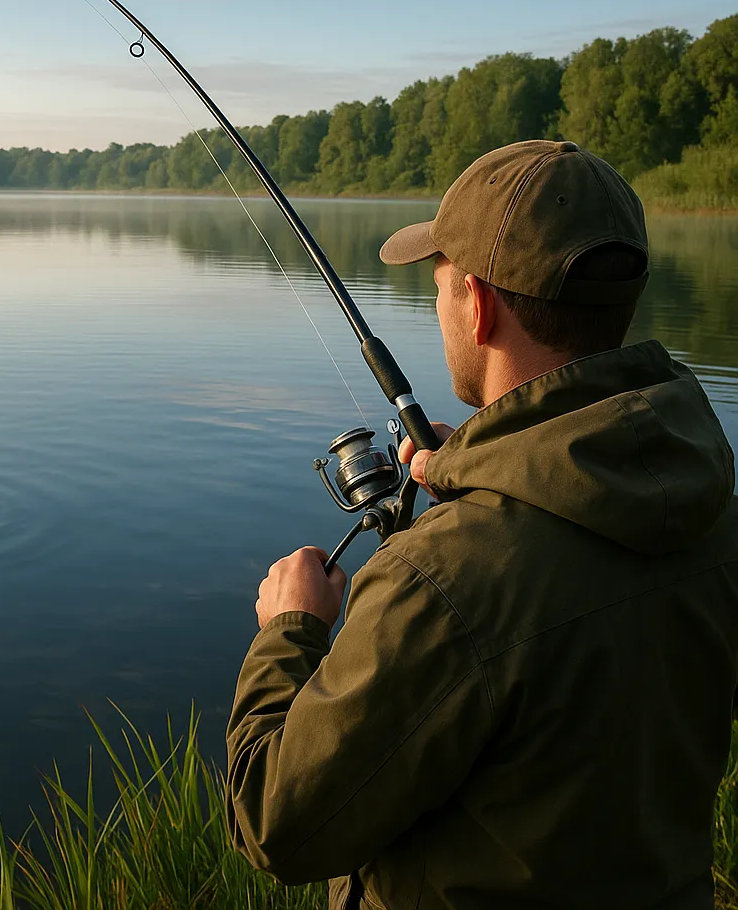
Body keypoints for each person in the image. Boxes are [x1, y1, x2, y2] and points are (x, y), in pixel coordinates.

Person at [225, 139, 738, 909]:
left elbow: (275, 824)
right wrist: (480, 473)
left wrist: (289, 631)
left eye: (437, 289)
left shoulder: (442, 582)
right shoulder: (707, 502)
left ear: (479, 304)